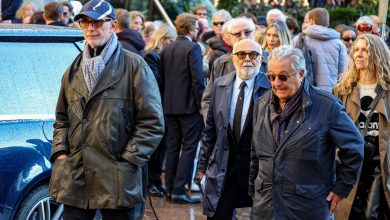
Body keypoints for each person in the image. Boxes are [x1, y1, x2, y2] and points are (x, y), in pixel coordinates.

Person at [49, 1, 164, 219]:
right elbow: (62, 118)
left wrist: (129, 159)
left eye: (98, 22)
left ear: (113, 25)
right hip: (76, 174)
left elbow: (152, 122)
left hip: (117, 176)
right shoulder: (72, 70)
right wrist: (61, 152)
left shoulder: (134, 66)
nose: (91, 28)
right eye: (85, 22)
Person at [249, 45, 364, 219]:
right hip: (266, 207)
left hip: (308, 208)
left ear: (301, 74)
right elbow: (255, 154)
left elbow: (354, 147)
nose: (276, 83)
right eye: (271, 77)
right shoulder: (261, 104)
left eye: (283, 77)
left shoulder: (327, 106)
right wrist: (254, 190)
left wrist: (341, 189)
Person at [196, 39, 271, 219]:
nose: (247, 59)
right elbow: (211, 130)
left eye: (253, 55)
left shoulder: (270, 88)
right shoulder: (220, 85)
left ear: (261, 60)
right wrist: (202, 166)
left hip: (258, 168)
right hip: (224, 164)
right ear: (232, 59)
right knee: (218, 213)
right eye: (241, 54)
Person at [334, 34, 390, 220]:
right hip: (352, 156)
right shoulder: (344, 89)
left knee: (371, 212)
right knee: (351, 209)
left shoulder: (387, 89)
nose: (358, 54)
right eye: (356, 50)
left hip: (380, 158)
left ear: (377, 54)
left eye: (364, 50)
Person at [160, 13, 205, 204]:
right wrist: (201, 104)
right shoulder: (192, 48)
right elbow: (197, 79)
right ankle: (178, 189)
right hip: (189, 107)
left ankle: (170, 188)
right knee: (189, 147)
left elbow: (162, 79)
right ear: (191, 29)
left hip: (169, 107)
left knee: (172, 148)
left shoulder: (166, 50)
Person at [144, 24, 177, 197]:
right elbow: (153, 82)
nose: (172, 44)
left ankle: (155, 181)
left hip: (161, 105)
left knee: (161, 147)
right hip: (155, 107)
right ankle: (152, 182)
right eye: (171, 41)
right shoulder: (152, 55)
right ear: (163, 40)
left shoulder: (159, 55)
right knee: (157, 148)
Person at [293, 7, 347, 93]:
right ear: (327, 22)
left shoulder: (299, 39)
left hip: (305, 92)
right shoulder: (339, 43)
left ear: (311, 21)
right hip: (331, 95)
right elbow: (343, 73)